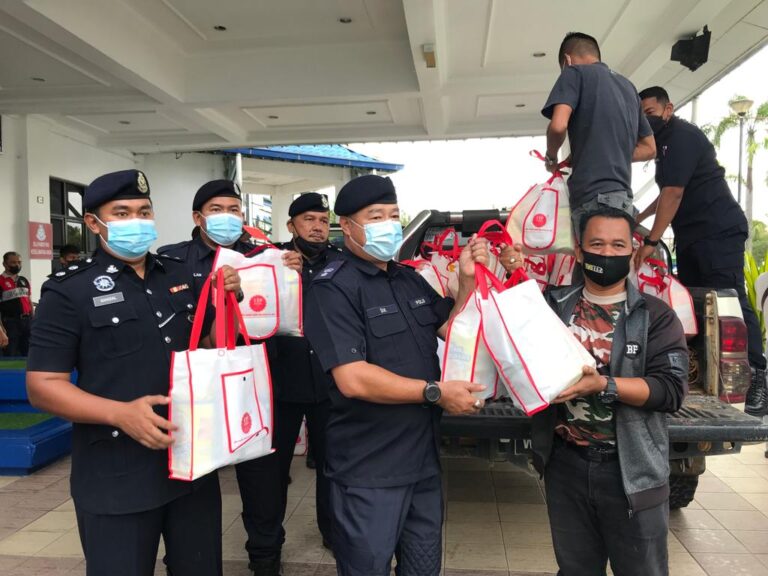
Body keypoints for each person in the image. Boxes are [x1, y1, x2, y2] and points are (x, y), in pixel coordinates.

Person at [26, 169, 242, 576]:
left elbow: (211, 345)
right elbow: (43, 386)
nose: (136, 222)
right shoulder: (68, 291)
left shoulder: (179, 275)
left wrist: (230, 298)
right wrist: (120, 413)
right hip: (115, 473)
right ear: (94, 223)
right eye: (122, 213)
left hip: (190, 463)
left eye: (144, 212)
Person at [303, 174, 489, 576]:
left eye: (392, 215)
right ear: (347, 226)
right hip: (369, 468)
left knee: (423, 568)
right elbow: (352, 378)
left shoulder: (409, 279)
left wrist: (468, 280)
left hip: (422, 460)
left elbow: (454, 330)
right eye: (375, 217)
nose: (388, 225)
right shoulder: (332, 288)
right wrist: (435, 392)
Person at [500, 207, 688, 576]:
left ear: (632, 250)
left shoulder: (655, 315)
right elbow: (516, 338)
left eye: (618, 245)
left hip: (632, 471)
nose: (607, 252)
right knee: (575, 568)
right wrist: (507, 271)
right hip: (566, 465)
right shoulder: (554, 305)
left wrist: (604, 384)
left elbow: (670, 390)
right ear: (580, 252)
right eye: (597, 244)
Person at [158, 179, 302, 576]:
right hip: (199, 386)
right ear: (198, 217)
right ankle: (186, 558)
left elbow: (287, 312)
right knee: (193, 479)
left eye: (235, 209)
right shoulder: (171, 261)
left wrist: (293, 276)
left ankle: (266, 557)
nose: (228, 217)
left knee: (263, 479)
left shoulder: (265, 256)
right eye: (217, 209)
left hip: (253, 383)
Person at [636, 85, 767, 417]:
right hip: (693, 236)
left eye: (650, 113)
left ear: (668, 109)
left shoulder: (682, 137)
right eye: (641, 116)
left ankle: (758, 376)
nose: (646, 121)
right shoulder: (663, 146)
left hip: (717, 231)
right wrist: (638, 218)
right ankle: (703, 369)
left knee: (729, 299)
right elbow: (666, 193)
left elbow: (674, 194)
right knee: (698, 303)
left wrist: (651, 242)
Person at [269, 192, 340, 550]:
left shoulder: (341, 262)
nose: (317, 227)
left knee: (332, 465)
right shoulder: (273, 259)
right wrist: (283, 274)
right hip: (282, 381)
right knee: (274, 469)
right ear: (291, 225)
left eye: (323, 220)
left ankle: (332, 532)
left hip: (330, 380)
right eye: (309, 219)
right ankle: (268, 543)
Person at [542, 32, 656, 235]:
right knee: (614, 255)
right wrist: (597, 152)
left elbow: (558, 126)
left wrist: (551, 158)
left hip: (592, 196)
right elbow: (649, 149)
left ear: (567, 60)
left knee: (591, 256)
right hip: (622, 198)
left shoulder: (573, 73)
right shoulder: (628, 87)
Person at [0, 251, 33, 356]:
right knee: (11, 354)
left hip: (27, 322)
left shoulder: (23, 280)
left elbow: (28, 300)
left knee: (29, 353)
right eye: (13, 262)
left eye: (19, 262)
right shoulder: (0, 281)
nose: (17, 265)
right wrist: (1, 328)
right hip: (10, 323)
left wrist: (33, 320)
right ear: (5, 264)